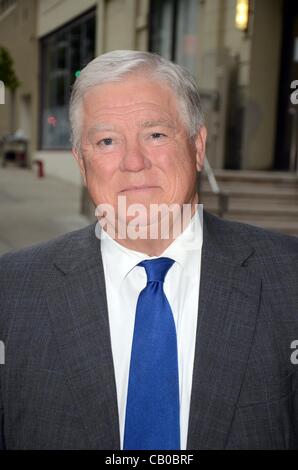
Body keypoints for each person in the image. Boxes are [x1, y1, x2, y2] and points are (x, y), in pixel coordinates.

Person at [0, 50, 298, 450]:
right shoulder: (11, 292)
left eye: (155, 134)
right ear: (82, 162)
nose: (133, 162)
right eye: (107, 141)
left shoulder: (288, 278)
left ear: (197, 146)